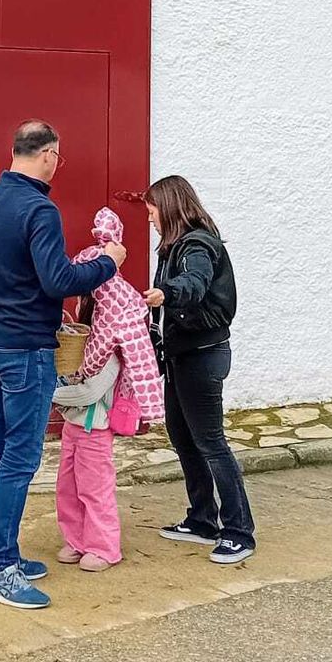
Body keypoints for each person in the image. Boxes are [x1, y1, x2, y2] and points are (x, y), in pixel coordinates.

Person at [0, 120, 123, 610]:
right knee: (19, 456)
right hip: (26, 350)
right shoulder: (40, 208)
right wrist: (109, 262)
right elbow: (59, 280)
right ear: (50, 155)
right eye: (60, 157)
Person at [142, 175, 255, 565]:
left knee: (210, 442)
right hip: (180, 357)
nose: (150, 220)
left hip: (202, 357)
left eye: (153, 212)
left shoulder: (197, 244)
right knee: (183, 437)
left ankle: (239, 531)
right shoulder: (173, 246)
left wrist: (166, 293)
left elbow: (195, 282)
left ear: (169, 208)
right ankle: (202, 519)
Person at [52, 208, 164, 572]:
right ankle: (75, 539)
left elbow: (108, 358)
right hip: (76, 416)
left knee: (94, 482)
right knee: (67, 480)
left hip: (97, 413)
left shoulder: (117, 314)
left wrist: (76, 375)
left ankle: (103, 545)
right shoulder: (91, 308)